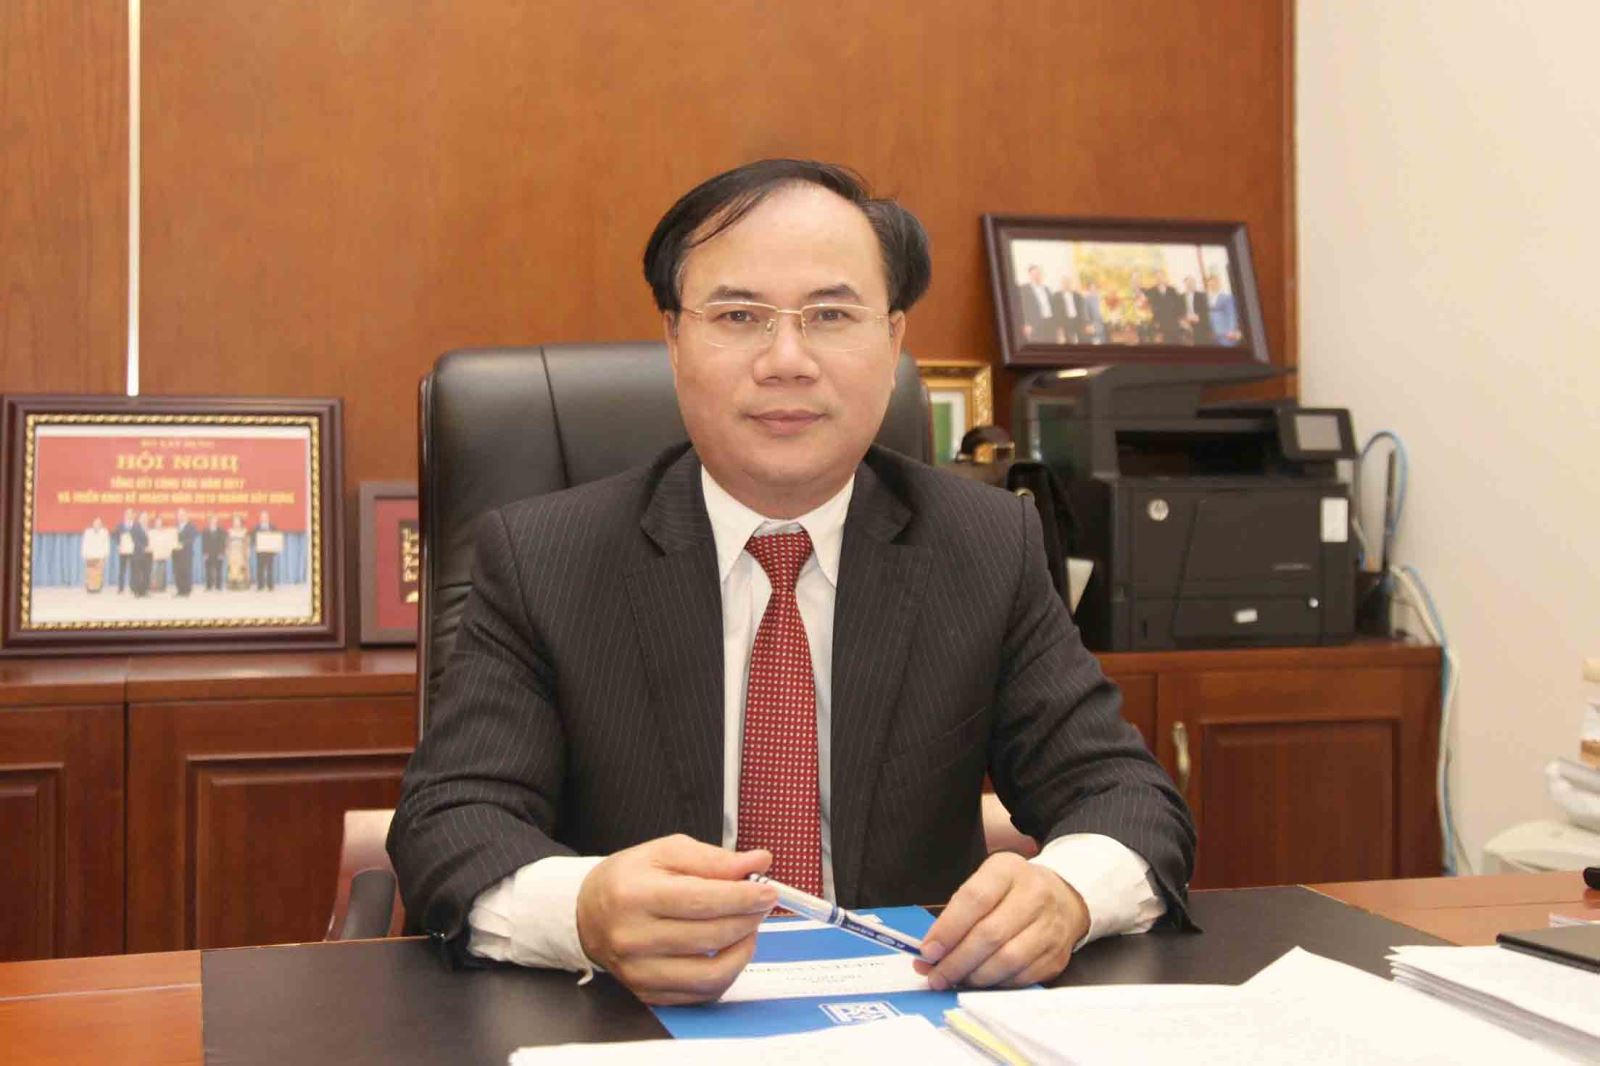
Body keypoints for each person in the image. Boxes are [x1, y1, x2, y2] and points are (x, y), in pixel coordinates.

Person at [388, 159, 1194, 1006]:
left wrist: (1065, 895)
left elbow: (1127, 798)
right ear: (674, 339)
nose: (786, 360)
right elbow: (451, 820)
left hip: (905, 1018)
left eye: (831, 315)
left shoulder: (984, 546)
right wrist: (584, 911)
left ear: (893, 340)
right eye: (738, 316)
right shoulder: (546, 558)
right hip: (630, 1022)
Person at [1013, 264, 1057, 343]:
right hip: (1034, 325)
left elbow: (1053, 308)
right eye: (1034, 274)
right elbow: (1019, 308)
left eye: (1038, 274)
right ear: (1030, 275)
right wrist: (1025, 324)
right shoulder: (1023, 289)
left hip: (1050, 323)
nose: (1037, 276)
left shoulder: (1047, 289)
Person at [1205, 273, 1241, 345]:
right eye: (1210, 285)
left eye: (1214, 283)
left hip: (1226, 332)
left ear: (1218, 283)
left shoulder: (1227, 297)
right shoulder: (1207, 299)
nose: (1212, 286)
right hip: (1213, 333)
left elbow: (1232, 314)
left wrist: (1231, 330)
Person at [172, 509, 198, 597]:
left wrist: (182, 544)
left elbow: (192, 539)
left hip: (186, 553)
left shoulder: (191, 526)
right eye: (179, 515)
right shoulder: (176, 527)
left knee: (186, 571)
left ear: (186, 516)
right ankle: (180, 590)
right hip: (176, 553)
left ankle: (186, 591)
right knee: (177, 572)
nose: (180, 517)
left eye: (182, 515)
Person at [81, 517, 111, 593]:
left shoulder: (104, 532)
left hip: (100, 555)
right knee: (90, 573)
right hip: (90, 556)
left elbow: (106, 545)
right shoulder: (88, 532)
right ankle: (90, 588)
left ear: (101, 525)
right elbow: (85, 544)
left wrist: (105, 555)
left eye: (98, 524)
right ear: (93, 524)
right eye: (95, 523)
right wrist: (84, 555)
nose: (97, 525)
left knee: (98, 573)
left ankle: (97, 588)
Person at [1182, 275, 1214, 345]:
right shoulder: (1181, 297)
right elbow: (1180, 311)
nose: (1190, 285)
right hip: (1187, 325)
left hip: (1201, 324)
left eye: (1192, 283)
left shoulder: (1202, 295)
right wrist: (1184, 319)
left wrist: (1199, 317)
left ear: (1194, 284)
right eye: (1188, 283)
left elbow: (1207, 310)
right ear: (1185, 285)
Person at [1051, 274, 1083, 344]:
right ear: (1061, 284)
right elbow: (1055, 312)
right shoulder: (1056, 296)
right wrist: (1059, 327)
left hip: (1077, 321)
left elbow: (1082, 310)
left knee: (1081, 341)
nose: (1066, 284)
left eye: (1068, 282)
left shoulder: (1077, 295)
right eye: (1064, 282)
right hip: (1065, 323)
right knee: (1068, 342)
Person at [251, 511, 277, 591]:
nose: (264, 518)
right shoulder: (257, 527)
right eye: (262, 517)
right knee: (260, 569)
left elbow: (276, 538)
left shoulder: (272, 527)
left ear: (268, 518)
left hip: (270, 551)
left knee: (270, 569)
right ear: (260, 518)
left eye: (265, 517)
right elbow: (253, 538)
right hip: (260, 551)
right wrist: (256, 544)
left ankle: (270, 586)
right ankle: (260, 586)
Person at [113, 508, 137, 593]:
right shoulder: (120, 525)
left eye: (130, 514)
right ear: (125, 515)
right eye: (127, 514)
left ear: (133, 515)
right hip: (123, 550)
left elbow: (139, 536)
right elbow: (115, 535)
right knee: (122, 569)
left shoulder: (136, 525)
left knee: (133, 569)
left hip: (133, 550)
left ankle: (133, 587)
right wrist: (118, 544)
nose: (129, 515)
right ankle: (120, 588)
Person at [128, 511, 152, 598]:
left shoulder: (149, 528)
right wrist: (143, 548)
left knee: (147, 572)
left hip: (148, 554)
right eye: (143, 517)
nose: (145, 519)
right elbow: (135, 540)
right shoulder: (135, 527)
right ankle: (137, 591)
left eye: (146, 518)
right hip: (138, 553)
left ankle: (144, 591)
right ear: (139, 518)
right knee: (137, 573)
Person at [225, 515, 251, 590]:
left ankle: (242, 584)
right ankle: (232, 584)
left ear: (240, 522)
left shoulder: (244, 531)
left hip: (241, 552)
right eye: (235, 521)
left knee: (241, 568)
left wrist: (247, 551)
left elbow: (247, 542)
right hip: (232, 552)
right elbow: (227, 542)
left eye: (238, 521)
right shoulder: (230, 531)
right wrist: (227, 550)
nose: (236, 523)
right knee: (232, 568)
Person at [202, 515, 227, 591]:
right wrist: (204, 553)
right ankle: (209, 586)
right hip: (208, 553)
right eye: (212, 520)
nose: (213, 521)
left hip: (218, 553)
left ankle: (218, 586)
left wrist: (221, 553)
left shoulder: (221, 531)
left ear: (217, 521)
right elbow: (204, 543)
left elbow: (223, 543)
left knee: (219, 570)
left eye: (215, 520)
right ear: (209, 521)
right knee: (208, 570)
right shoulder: (205, 531)